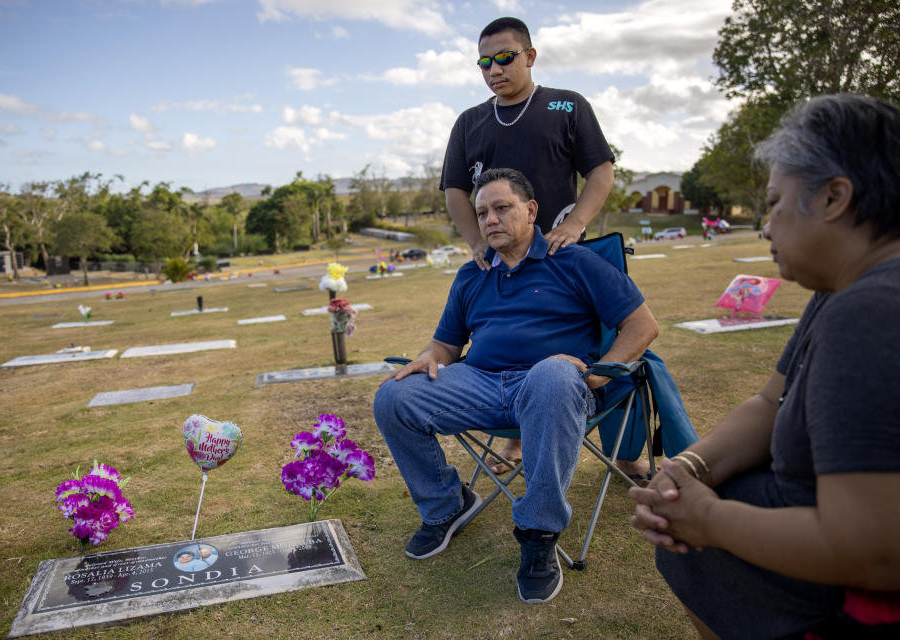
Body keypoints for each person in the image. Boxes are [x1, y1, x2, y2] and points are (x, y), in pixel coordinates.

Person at [629, 94, 900, 639]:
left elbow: (875, 553)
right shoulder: (841, 290)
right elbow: (770, 401)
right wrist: (690, 467)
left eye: (775, 201)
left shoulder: (871, 312)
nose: (766, 224)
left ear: (834, 197)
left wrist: (709, 521)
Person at [375, 168, 659, 603]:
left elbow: (641, 326)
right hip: (481, 383)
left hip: (555, 390)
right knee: (394, 395)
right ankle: (446, 505)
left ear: (530, 210)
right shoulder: (473, 274)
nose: (490, 219)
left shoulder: (575, 261)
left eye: (502, 208)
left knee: (551, 373)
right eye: (482, 211)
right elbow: (445, 345)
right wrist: (430, 357)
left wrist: (597, 373)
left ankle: (539, 533)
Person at [440, 17, 641, 477]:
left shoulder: (567, 106)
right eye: (484, 62)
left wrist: (576, 222)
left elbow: (601, 171)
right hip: (502, 261)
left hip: (561, 255)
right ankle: (514, 444)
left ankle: (627, 453)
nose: (494, 69)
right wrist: (476, 241)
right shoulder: (469, 122)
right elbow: (454, 189)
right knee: (509, 343)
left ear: (529, 56)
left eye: (505, 57)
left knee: (615, 346)